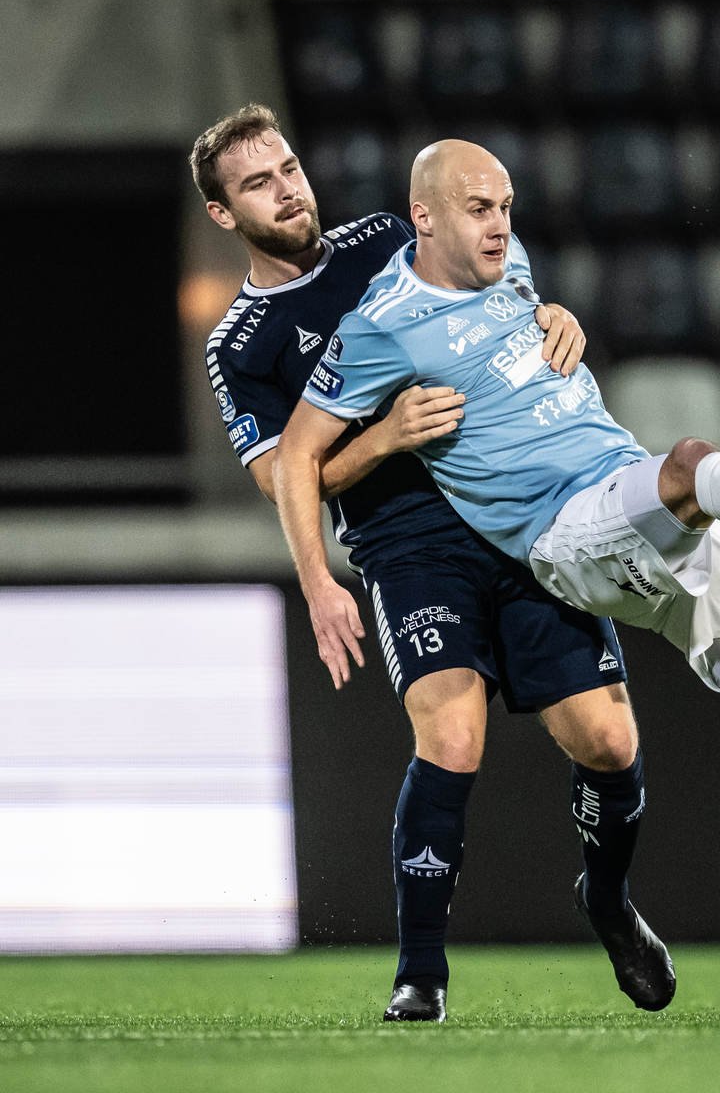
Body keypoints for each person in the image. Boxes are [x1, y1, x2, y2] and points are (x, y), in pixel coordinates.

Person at [271, 138, 720, 1020]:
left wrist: (554, 310)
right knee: (689, 465)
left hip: (626, 493)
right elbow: (297, 458)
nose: (500, 226)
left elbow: (516, 336)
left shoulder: (513, 269)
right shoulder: (381, 324)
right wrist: (318, 577)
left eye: (507, 206)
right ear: (425, 216)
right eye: (479, 209)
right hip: (565, 535)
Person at [191, 105, 670, 1024]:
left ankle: (605, 899)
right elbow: (289, 479)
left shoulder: (384, 239)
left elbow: (501, 296)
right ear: (222, 215)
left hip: (523, 513)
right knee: (451, 737)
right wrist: (378, 453)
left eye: (289, 168)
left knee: (608, 742)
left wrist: (552, 315)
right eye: (258, 183)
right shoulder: (241, 346)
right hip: (407, 546)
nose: (287, 190)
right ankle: (421, 975)